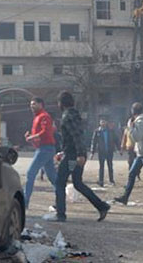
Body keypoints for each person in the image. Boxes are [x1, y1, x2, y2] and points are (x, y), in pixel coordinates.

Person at [53, 91, 111, 222]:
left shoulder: (67, 116)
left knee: (60, 182)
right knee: (77, 183)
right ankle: (101, 206)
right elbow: (75, 137)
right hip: (74, 154)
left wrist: (79, 154)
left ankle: (60, 214)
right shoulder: (75, 115)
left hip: (72, 156)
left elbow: (76, 136)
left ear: (61, 103)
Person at [23, 97, 58, 209]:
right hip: (44, 148)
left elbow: (45, 132)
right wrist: (30, 137)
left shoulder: (44, 116)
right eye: (31, 104)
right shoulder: (38, 117)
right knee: (52, 177)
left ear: (41, 104)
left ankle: (24, 202)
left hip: (45, 149)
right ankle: (60, 200)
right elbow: (42, 134)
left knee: (30, 173)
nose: (31, 106)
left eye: (34, 104)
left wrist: (32, 137)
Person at [91, 119, 120, 186]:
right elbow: (94, 142)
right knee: (101, 166)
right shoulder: (97, 131)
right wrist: (92, 152)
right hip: (101, 152)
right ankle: (101, 181)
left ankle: (111, 180)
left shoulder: (111, 131)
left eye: (104, 122)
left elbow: (116, 140)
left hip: (109, 151)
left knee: (110, 166)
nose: (103, 123)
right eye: (101, 122)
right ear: (100, 123)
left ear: (106, 122)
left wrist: (119, 149)